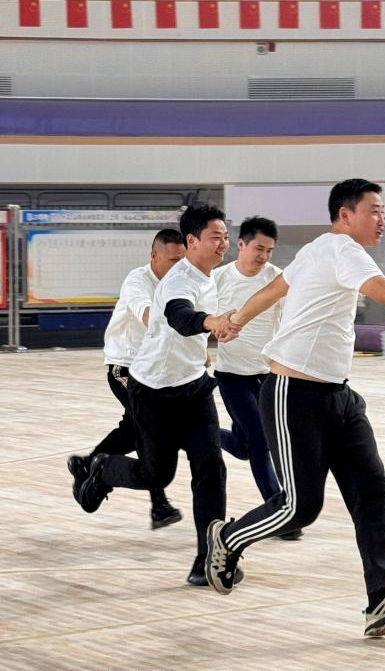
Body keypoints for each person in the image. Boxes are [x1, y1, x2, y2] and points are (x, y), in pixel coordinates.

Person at [203, 178, 385, 637]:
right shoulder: (342, 249)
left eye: (383, 211)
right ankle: (227, 538)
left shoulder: (318, 249)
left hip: (338, 396)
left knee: (373, 489)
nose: (383, 219)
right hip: (293, 393)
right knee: (300, 508)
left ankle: (382, 600)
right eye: (374, 210)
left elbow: (274, 290)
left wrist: (236, 319)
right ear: (345, 215)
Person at [74, 204, 242, 586]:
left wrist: (216, 332)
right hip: (152, 392)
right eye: (215, 238)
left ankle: (208, 560)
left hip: (194, 388)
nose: (224, 244)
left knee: (211, 468)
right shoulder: (177, 281)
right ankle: (104, 468)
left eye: (226, 237)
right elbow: (180, 316)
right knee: (156, 475)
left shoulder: (210, 276)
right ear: (192, 241)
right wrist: (211, 322)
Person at [69, 229, 185, 530]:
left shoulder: (181, 282)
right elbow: (145, 313)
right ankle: (158, 504)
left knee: (135, 427)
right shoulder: (138, 280)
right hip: (126, 367)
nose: (178, 267)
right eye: (173, 260)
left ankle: (88, 464)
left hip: (155, 370)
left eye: (182, 260)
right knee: (147, 425)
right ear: (154, 256)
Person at [213, 216, 301, 541]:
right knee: (261, 442)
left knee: (244, 446)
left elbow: (290, 323)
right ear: (241, 244)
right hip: (231, 375)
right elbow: (203, 319)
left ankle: (196, 432)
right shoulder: (218, 278)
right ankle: (279, 514)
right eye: (259, 248)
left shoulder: (278, 280)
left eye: (269, 250)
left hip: (266, 376)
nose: (264, 256)